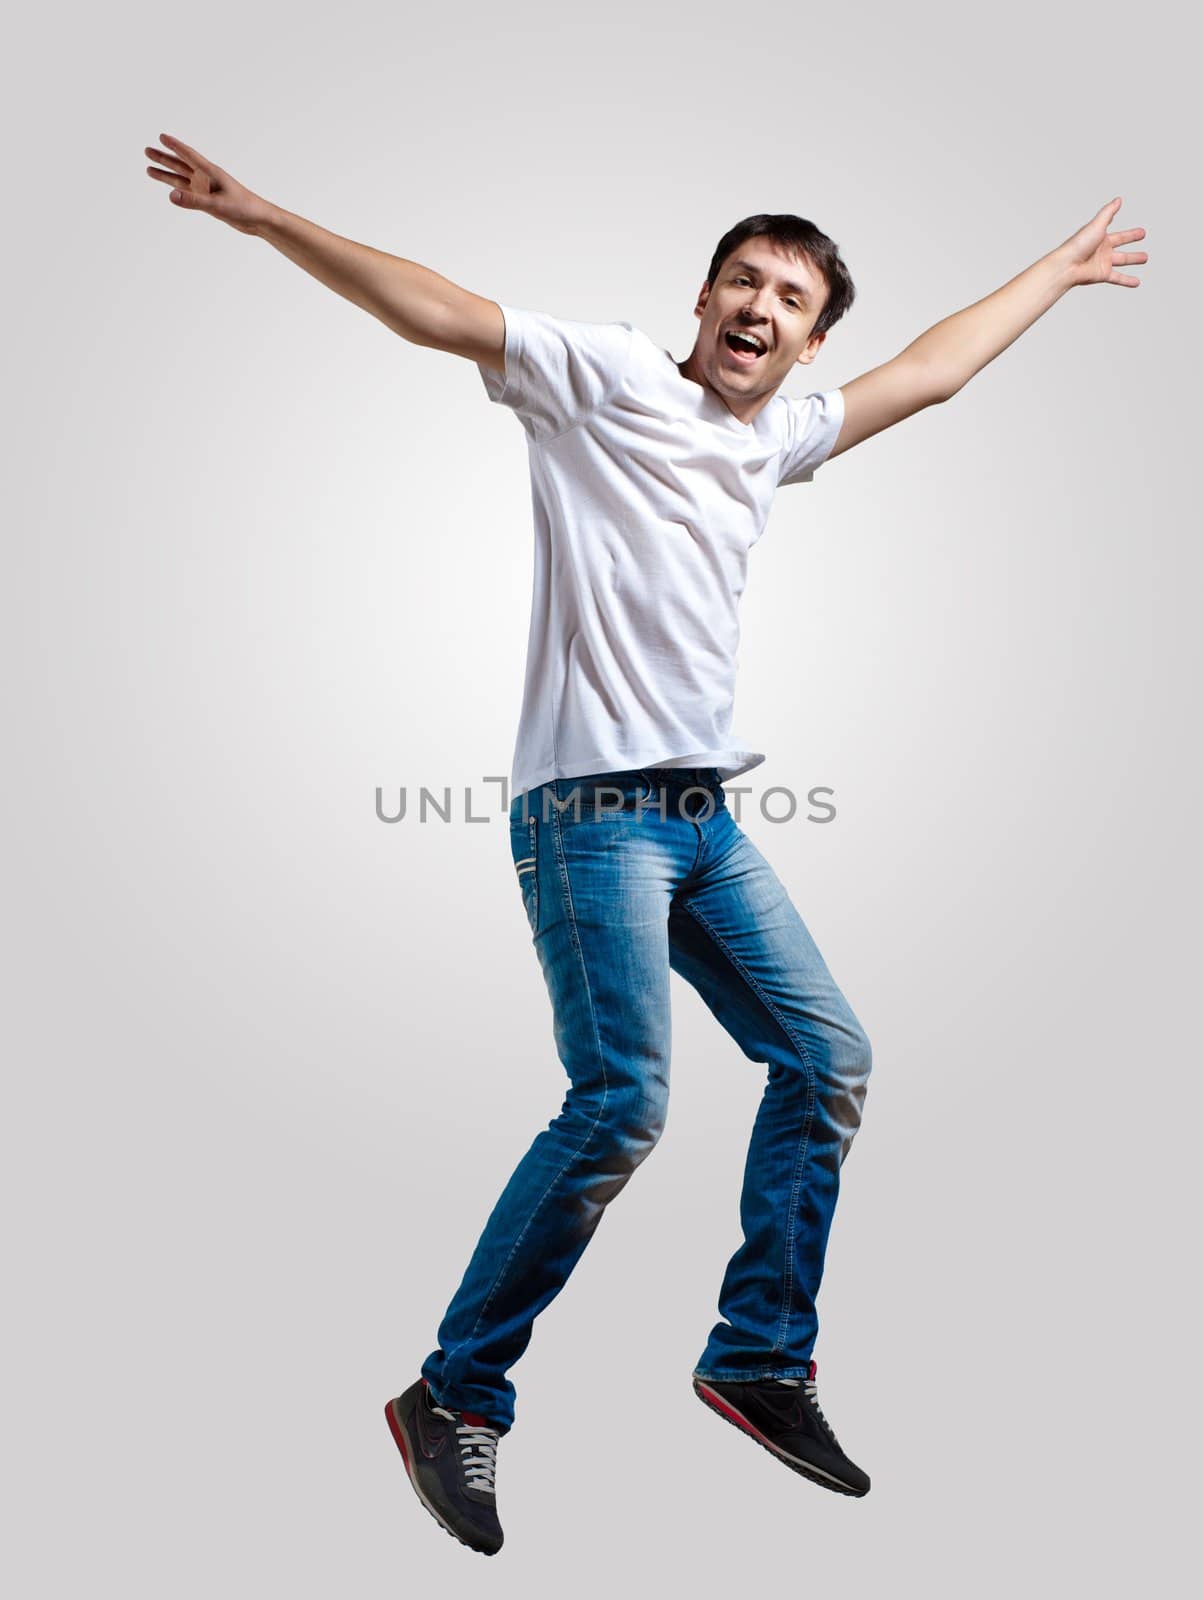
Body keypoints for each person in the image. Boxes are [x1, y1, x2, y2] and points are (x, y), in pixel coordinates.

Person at [144, 134, 1147, 1556]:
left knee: (826, 1056)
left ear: (805, 344)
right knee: (620, 1100)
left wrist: (1052, 270)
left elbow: (930, 372)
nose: (760, 307)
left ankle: (756, 1360)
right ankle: (454, 1392)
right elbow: (440, 310)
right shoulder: (606, 378)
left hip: (707, 825)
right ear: (701, 298)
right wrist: (264, 220)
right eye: (743, 280)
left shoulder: (777, 441)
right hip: (590, 817)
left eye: (792, 300)